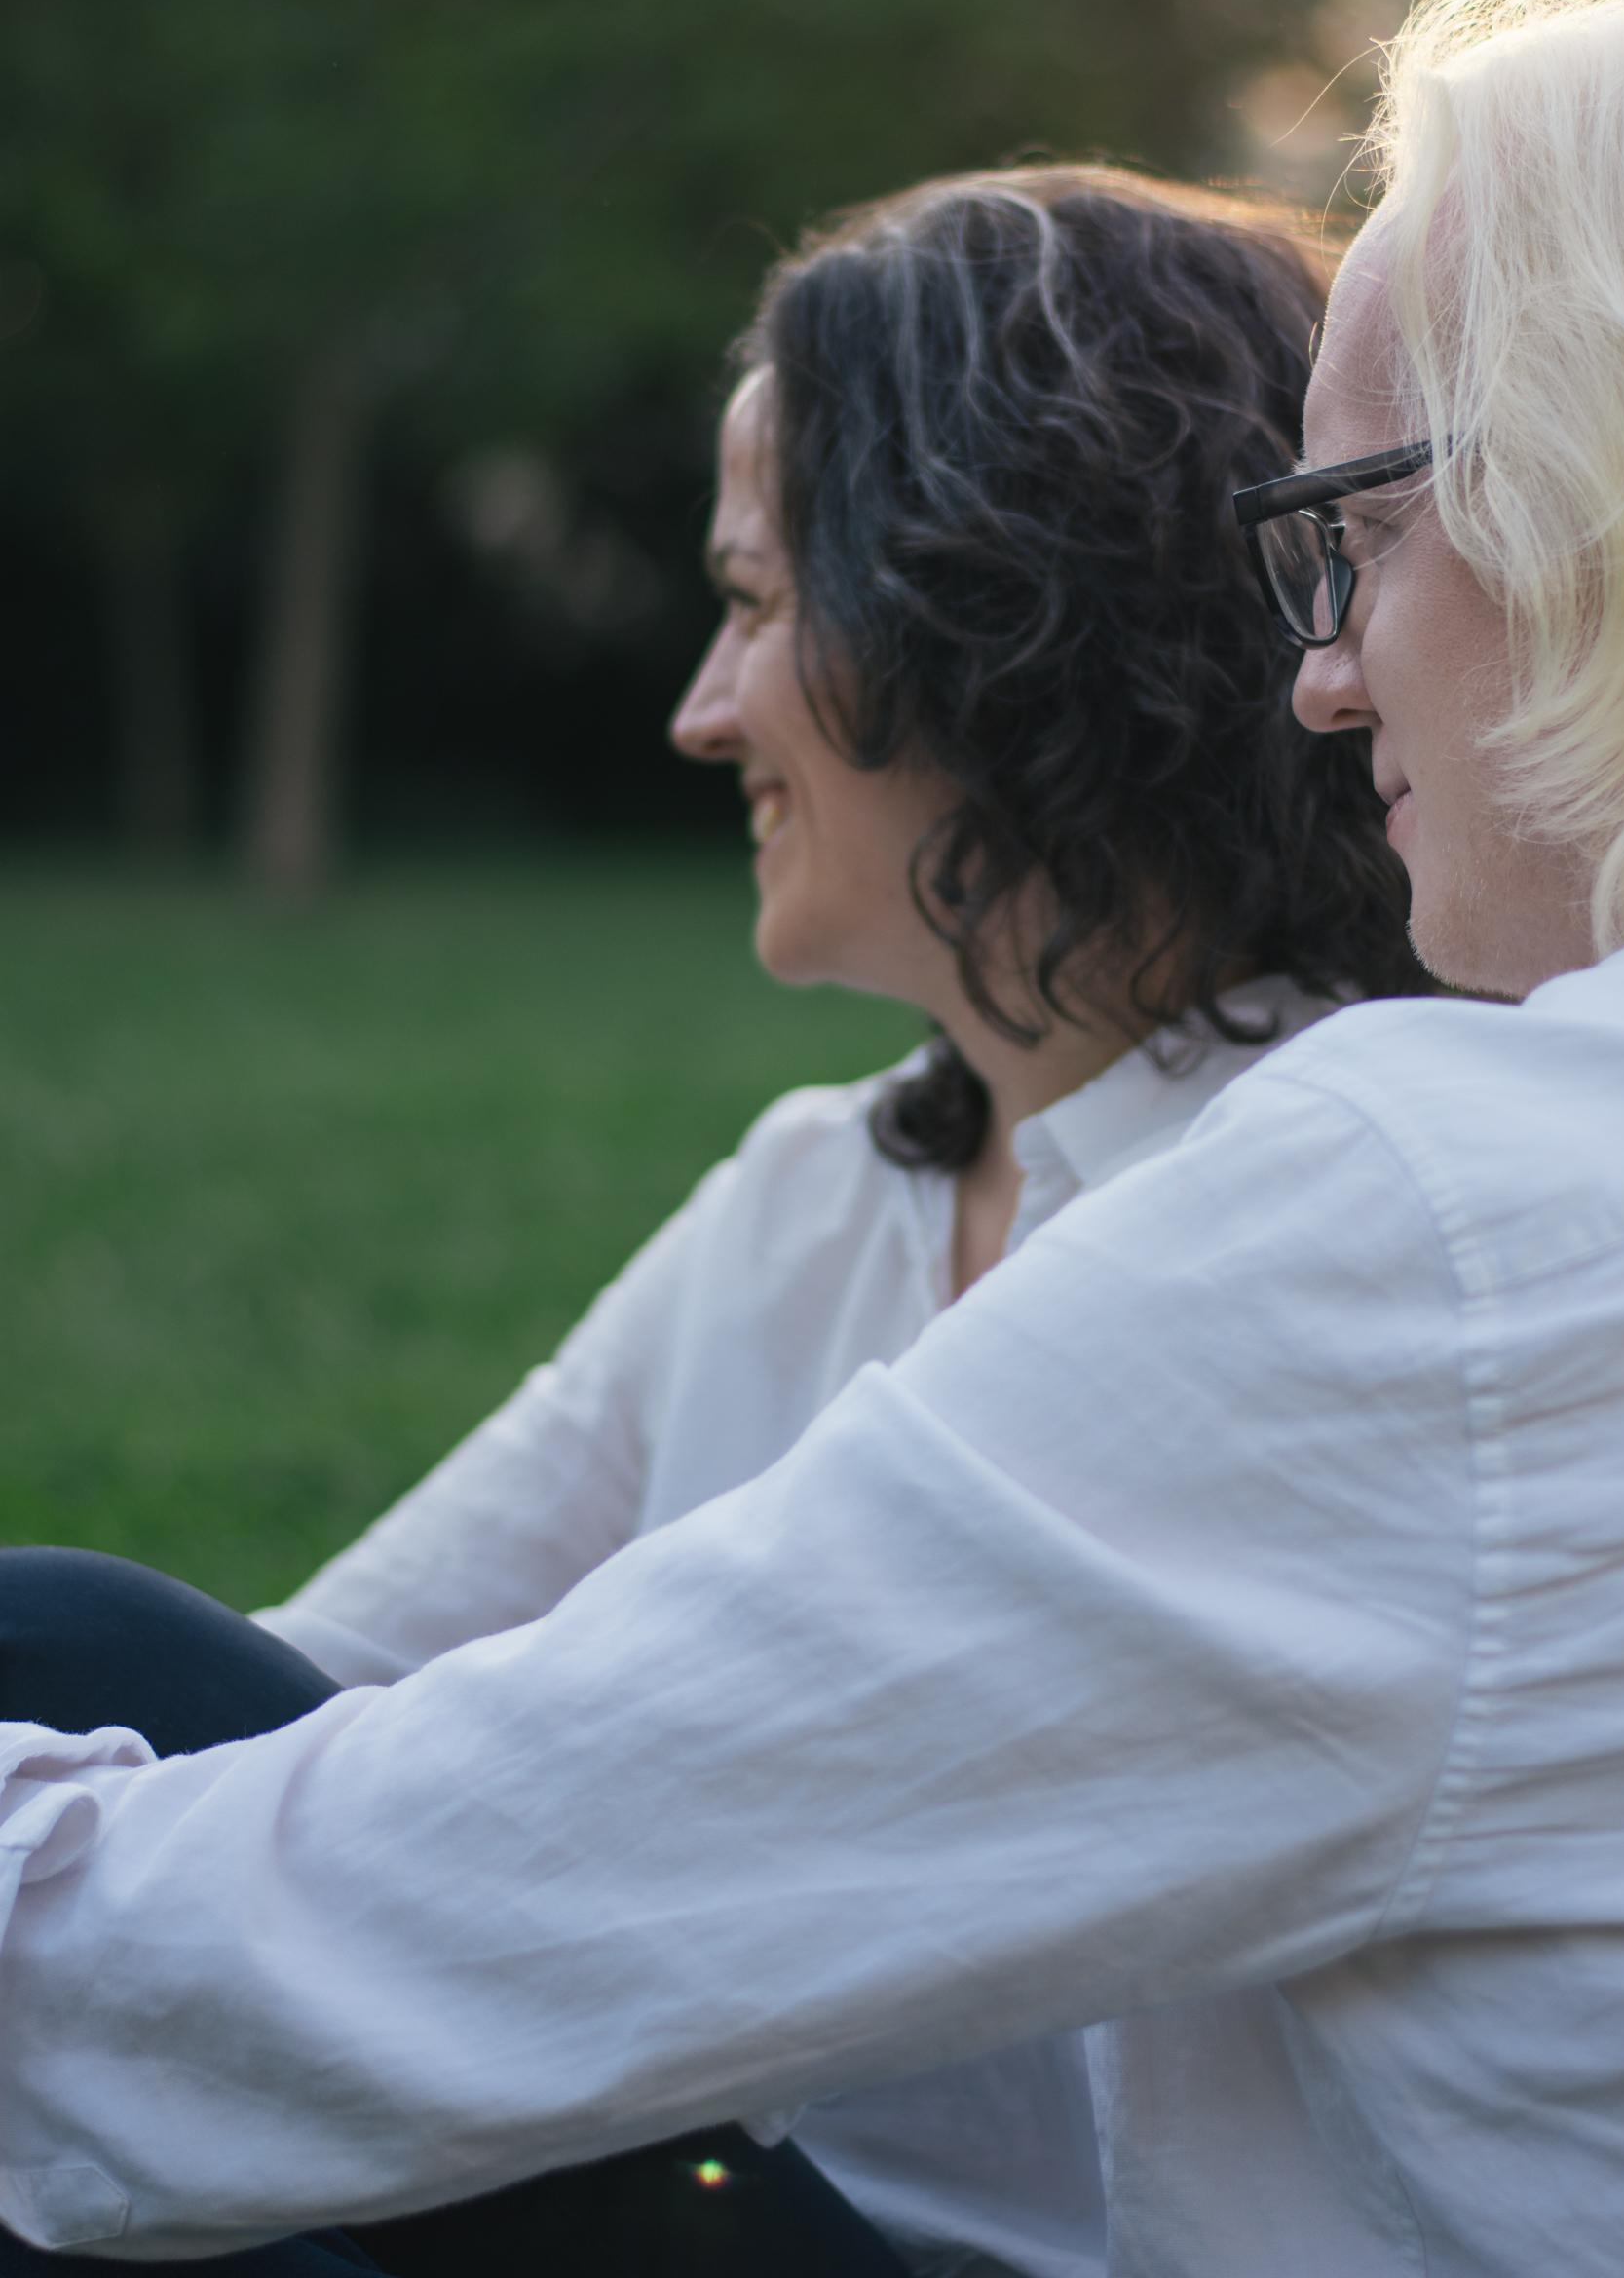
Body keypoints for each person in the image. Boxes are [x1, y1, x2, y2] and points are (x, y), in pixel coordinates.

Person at [3, 0, 1624, 2278]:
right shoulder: (867, 1192)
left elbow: (302, 1960)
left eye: (1358, 533)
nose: (1314, 674)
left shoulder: (1459, 1218)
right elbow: (351, 1703)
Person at [0, 166, 1417, 2278]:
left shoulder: (1334, 1205)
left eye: (760, 606)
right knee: (77, 1712)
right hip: (707, 2196)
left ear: (983, 617)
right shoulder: (817, 1199)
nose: (697, 708)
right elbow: (326, 1697)